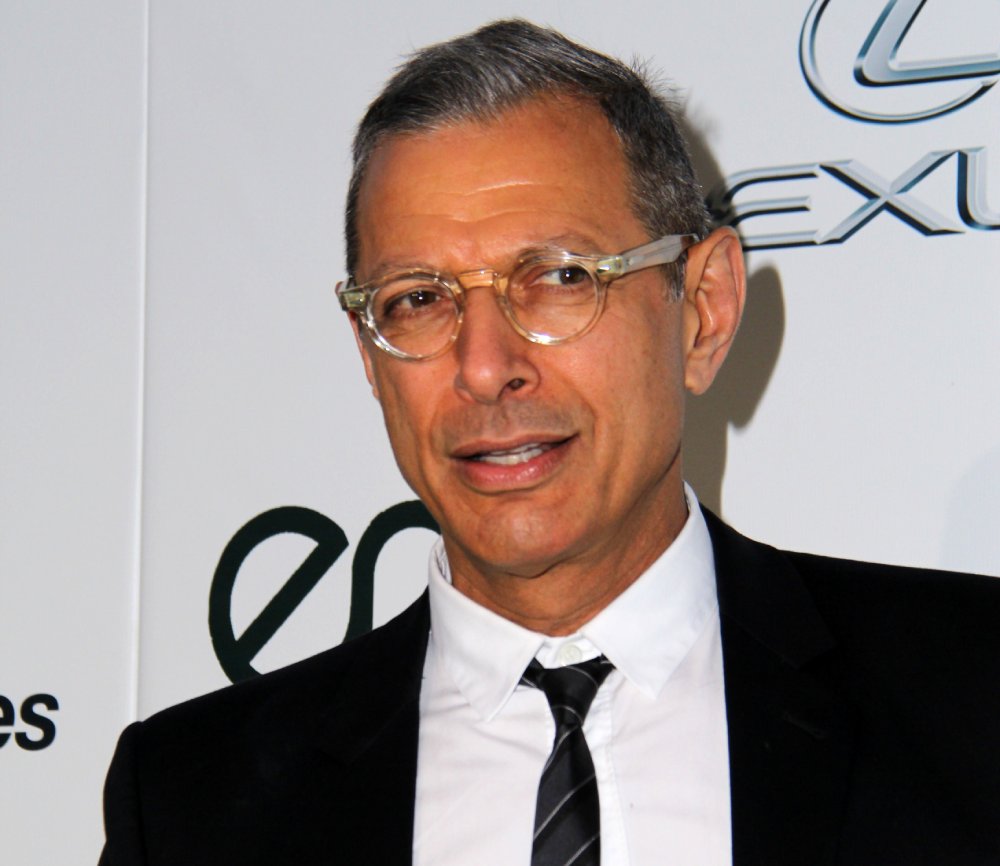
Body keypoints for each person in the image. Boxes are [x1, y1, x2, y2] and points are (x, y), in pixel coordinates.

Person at [99, 19, 1000, 866]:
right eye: (417, 299)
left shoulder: (970, 694)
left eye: (561, 279)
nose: (485, 367)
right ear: (370, 361)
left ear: (704, 313)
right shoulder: (191, 802)